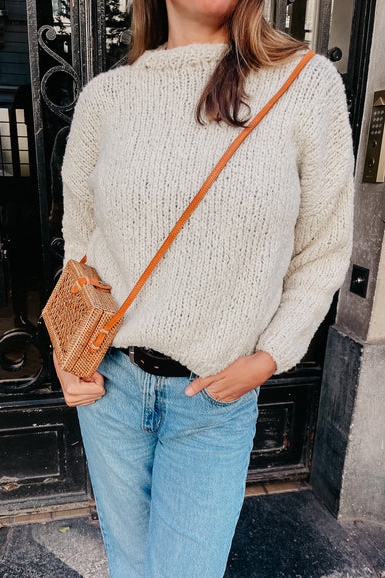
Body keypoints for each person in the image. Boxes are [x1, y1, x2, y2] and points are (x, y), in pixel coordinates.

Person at [53, 0, 355, 576]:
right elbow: (80, 247)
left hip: (214, 399)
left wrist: (269, 357)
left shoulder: (305, 85)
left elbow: (322, 249)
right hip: (110, 387)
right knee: (130, 565)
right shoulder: (107, 98)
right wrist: (69, 353)